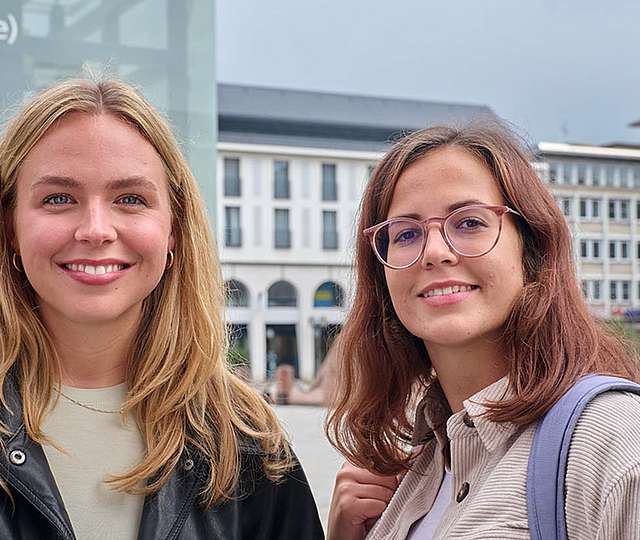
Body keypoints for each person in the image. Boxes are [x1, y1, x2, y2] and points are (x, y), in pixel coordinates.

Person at [0, 78, 324, 539]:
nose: (96, 230)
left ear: (173, 229)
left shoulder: (243, 443)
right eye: (58, 198)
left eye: (130, 199)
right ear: (10, 227)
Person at [325, 123, 640, 539]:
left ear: (531, 246)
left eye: (469, 223)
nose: (435, 252)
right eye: (406, 233)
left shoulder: (613, 444)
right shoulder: (421, 465)